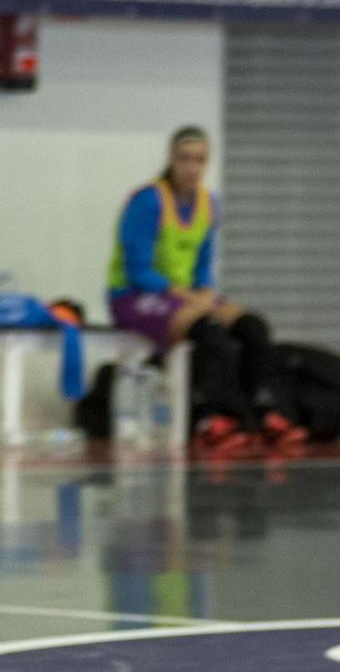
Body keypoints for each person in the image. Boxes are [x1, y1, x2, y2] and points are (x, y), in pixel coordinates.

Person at [107, 126, 306, 452]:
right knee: (209, 330)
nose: (192, 167)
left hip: (183, 296)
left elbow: (203, 267)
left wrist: (206, 293)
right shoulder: (147, 201)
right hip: (134, 296)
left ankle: (265, 412)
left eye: (199, 160)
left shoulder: (208, 203)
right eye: (184, 159)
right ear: (171, 160)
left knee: (252, 326)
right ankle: (210, 419)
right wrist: (189, 298)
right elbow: (137, 270)